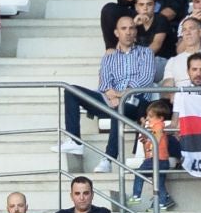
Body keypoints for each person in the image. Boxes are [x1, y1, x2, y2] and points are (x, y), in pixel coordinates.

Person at [57, 14, 160, 172]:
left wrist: (120, 95)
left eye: (132, 28)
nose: (128, 32)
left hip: (135, 102)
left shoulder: (146, 53)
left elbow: (145, 79)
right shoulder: (108, 58)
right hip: (110, 101)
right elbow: (104, 83)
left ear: (136, 32)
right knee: (71, 90)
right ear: (116, 33)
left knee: (119, 109)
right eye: (123, 28)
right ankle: (74, 141)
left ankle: (108, 159)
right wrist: (112, 95)